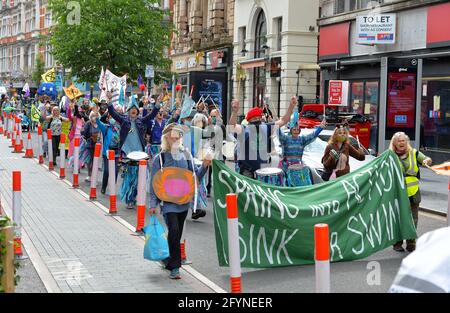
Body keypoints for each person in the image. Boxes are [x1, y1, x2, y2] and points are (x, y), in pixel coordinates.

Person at [149, 123, 211, 279]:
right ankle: (175, 267)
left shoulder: (187, 155)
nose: (175, 137)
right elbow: (154, 183)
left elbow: (195, 177)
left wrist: (204, 165)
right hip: (168, 203)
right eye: (172, 135)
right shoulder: (160, 158)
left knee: (174, 234)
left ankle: (168, 259)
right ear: (166, 138)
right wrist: (152, 204)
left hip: (183, 203)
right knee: (175, 230)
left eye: (178, 135)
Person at [228, 96, 298, 179]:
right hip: (246, 171)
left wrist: (291, 106)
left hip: (262, 170)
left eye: (259, 118)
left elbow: (283, 120)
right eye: (255, 118)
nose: (258, 120)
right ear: (249, 121)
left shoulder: (266, 127)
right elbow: (232, 126)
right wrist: (235, 112)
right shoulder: (244, 129)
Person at [107, 92, 155, 209]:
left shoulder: (140, 121)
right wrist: (109, 101)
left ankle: (134, 197)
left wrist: (157, 105)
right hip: (127, 153)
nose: (133, 110)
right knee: (130, 176)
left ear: (137, 112)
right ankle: (129, 199)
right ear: (128, 111)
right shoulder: (124, 121)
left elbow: (151, 115)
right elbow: (113, 113)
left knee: (139, 177)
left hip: (140, 153)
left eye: (135, 109)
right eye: (131, 109)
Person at [389, 132, 432, 252]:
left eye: (403, 140)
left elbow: (426, 159)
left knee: (413, 219)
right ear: (394, 143)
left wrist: (427, 161)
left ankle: (411, 243)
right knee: (398, 217)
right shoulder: (390, 155)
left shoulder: (414, 152)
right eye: (399, 141)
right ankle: (397, 243)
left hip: (413, 192)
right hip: (397, 191)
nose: (402, 143)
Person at [279, 117, 326, 186]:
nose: (296, 131)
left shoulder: (302, 139)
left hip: (298, 168)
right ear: (291, 130)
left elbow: (312, 135)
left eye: (297, 129)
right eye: (294, 129)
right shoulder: (285, 139)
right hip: (286, 168)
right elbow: (279, 133)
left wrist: (320, 128)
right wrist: (276, 124)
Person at [97, 112, 121, 194]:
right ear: (107, 119)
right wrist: (97, 116)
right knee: (107, 170)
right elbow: (99, 123)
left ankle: (112, 187)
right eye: (110, 117)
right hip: (107, 153)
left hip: (117, 153)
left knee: (115, 171)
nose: (113, 119)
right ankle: (104, 186)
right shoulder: (106, 128)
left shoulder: (120, 128)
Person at [81, 111, 101, 181]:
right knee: (90, 160)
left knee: (96, 161)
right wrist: (91, 137)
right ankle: (90, 175)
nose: (95, 117)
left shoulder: (100, 124)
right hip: (90, 145)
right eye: (93, 116)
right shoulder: (88, 124)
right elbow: (84, 134)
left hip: (99, 145)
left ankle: (95, 175)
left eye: (96, 116)